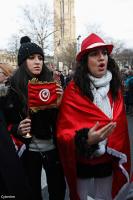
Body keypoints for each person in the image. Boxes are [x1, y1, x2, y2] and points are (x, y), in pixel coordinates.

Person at [56, 33, 131, 200]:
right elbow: (63, 132)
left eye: (104, 53)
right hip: (82, 161)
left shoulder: (116, 89)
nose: (101, 58)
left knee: (104, 197)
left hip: (107, 160)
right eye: (94, 54)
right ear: (85, 61)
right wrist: (86, 140)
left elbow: (120, 126)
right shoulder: (72, 92)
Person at [6, 36, 66, 200]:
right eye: (31, 58)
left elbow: (64, 124)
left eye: (40, 58)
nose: (37, 62)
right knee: (31, 192)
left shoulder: (52, 84)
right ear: (22, 62)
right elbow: (7, 124)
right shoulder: (12, 90)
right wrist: (17, 128)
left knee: (58, 190)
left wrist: (59, 104)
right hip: (28, 153)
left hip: (53, 150)